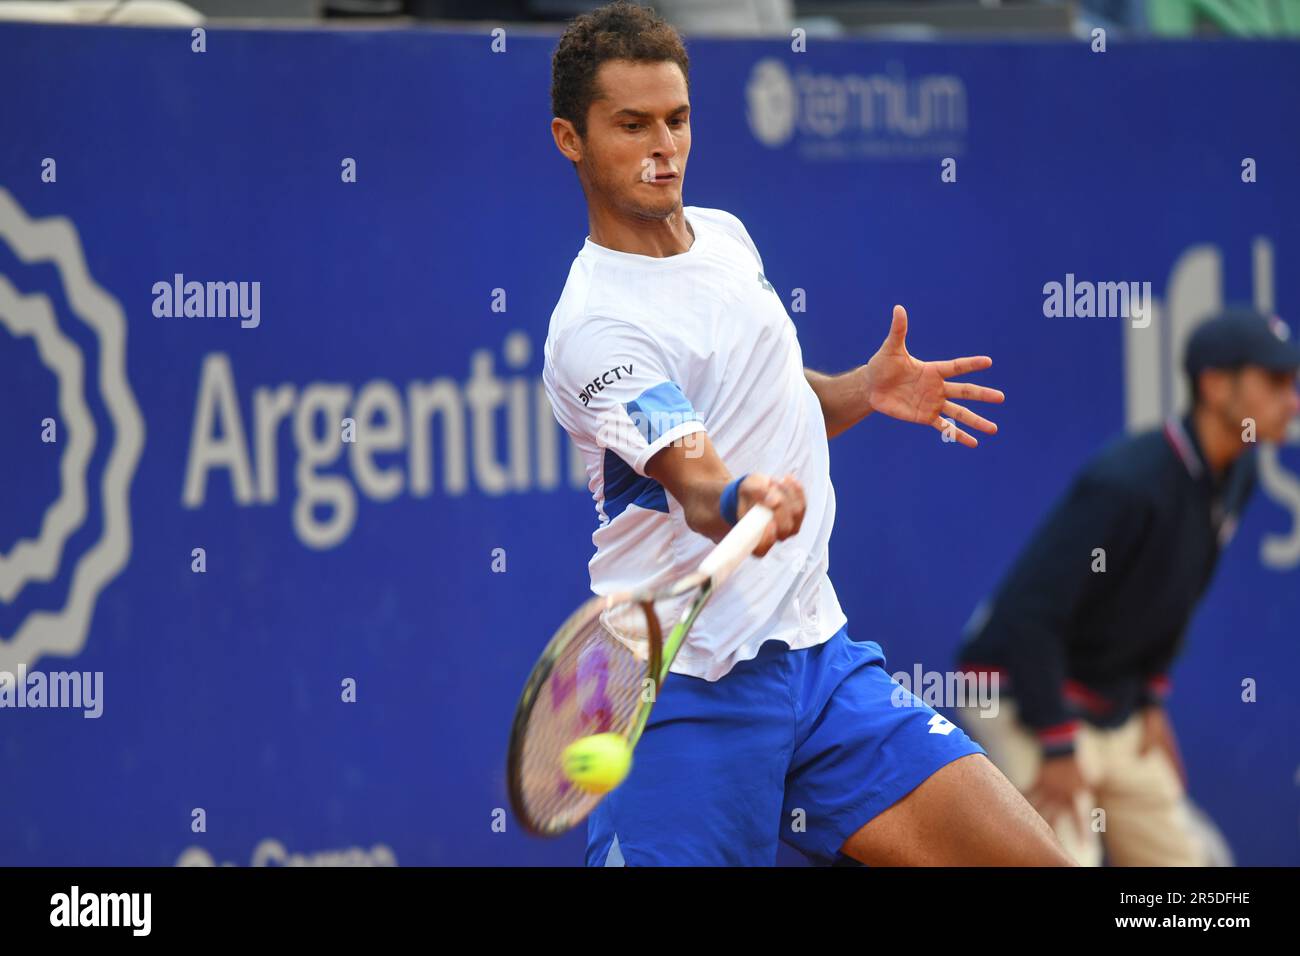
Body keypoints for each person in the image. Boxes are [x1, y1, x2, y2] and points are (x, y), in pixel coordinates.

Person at [540, 1, 1073, 866]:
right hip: (687, 691)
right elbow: (696, 476)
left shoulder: (723, 236)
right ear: (571, 138)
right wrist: (743, 496)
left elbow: (776, 402)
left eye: (677, 120)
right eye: (631, 125)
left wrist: (863, 388)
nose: (662, 146)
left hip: (818, 661)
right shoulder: (597, 330)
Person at [955, 307, 1300, 865]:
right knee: (1062, 861)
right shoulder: (1127, 483)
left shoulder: (1240, 473)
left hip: (1113, 705)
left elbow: (1178, 592)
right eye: (1276, 382)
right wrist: (1058, 743)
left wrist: (1152, 699)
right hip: (1021, 697)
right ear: (1215, 386)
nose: (1293, 401)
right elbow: (1030, 616)